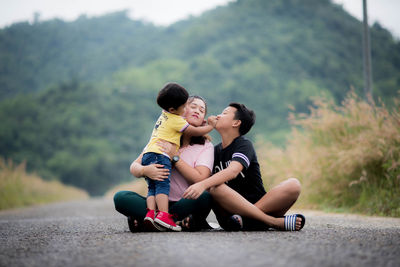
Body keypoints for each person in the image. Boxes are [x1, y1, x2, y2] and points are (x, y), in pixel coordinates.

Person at [182, 102, 306, 231]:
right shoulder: (212, 151)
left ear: (236, 123)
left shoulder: (243, 144)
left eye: (224, 113)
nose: (218, 116)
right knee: (215, 188)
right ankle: (270, 221)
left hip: (257, 206)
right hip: (229, 214)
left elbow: (233, 171)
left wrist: (202, 184)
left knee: (294, 185)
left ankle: (249, 221)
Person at [114, 95, 215, 232]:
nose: (197, 110)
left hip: (184, 203)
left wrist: (175, 158)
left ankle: (150, 222)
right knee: (121, 198)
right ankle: (171, 221)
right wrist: (145, 170)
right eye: (193, 107)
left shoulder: (205, 146)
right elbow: (134, 167)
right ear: (181, 110)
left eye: (201, 110)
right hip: (156, 203)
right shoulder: (162, 138)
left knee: (204, 197)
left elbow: (200, 179)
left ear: (203, 120)